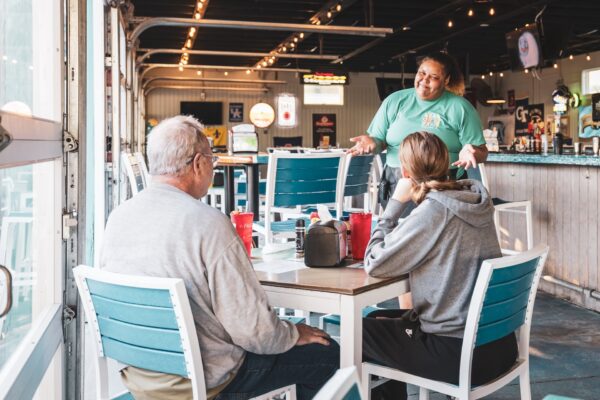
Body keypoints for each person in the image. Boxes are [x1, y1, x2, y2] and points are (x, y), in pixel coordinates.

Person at [100, 115, 339, 400]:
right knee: (327, 354)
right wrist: (293, 333)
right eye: (212, 160)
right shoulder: (207, 223)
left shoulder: (118, 217)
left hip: (139, 376)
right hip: (202, 382)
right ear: (199, 163)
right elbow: (254, 333)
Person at [361, 132, 517, 400]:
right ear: (447, 163)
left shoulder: (433, 212)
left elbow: (374, 263)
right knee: (377, 320)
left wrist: (395, 205)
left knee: (359, 333)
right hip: (499, 346)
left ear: (406, 172)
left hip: (460, 354)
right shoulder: (473, 197)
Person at [348, 51, 488, 209]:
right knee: (398, 230)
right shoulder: (395, 101)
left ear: (446, 80)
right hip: (398, 180)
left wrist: (472, 152)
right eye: (421, 73)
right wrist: (372, 143)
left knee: (438, 230)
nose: (424, 80)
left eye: (433, 77)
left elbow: (482, 152)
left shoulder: (460, 107)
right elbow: (379, 141)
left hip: (445, 183)